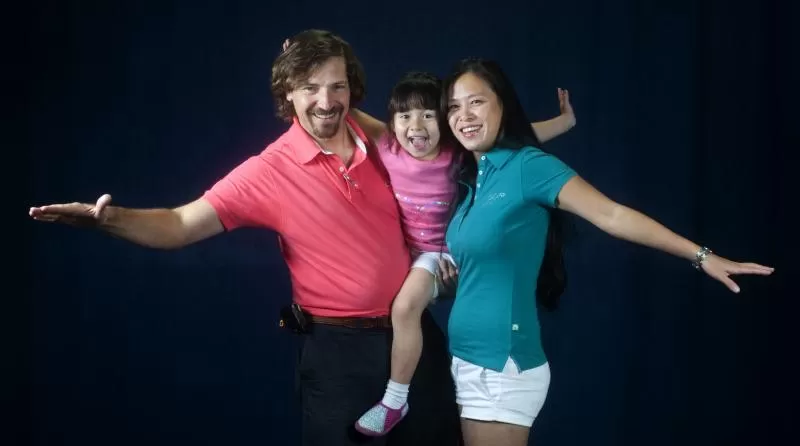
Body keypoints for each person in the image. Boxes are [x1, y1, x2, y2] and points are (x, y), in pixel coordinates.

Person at [28, 29, 462, 446]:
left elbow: (451, 164)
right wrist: (110, 219)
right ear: (287, 92)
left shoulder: (384, 137)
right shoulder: (269, 171)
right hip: (338, 356)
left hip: (415, 339)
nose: (327, 102)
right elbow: (179, 224)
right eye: (310, 88)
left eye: (337, 87)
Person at [435, 58, 775, 446]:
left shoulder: (529, 166)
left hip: (500, 364)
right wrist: (451, 286)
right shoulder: (475, 179)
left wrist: (702, 256)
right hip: (467, 360)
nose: (464, 115)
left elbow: (611, 214)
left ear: (503, 105)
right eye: (454, 107)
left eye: (475, 102)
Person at [344, 70, 575, 436]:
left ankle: (394, 399)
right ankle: (400, 394)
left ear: (446, 123)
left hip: (452, 251)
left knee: (405, 307)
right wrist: (302, 69)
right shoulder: (387, 144)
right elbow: (347, 109)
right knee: (380, 295)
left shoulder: (459, 153)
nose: (415, 126)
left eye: (428, 115)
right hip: (411, 252)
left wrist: (563, 122)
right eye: (404, 116)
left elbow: (520, 137)